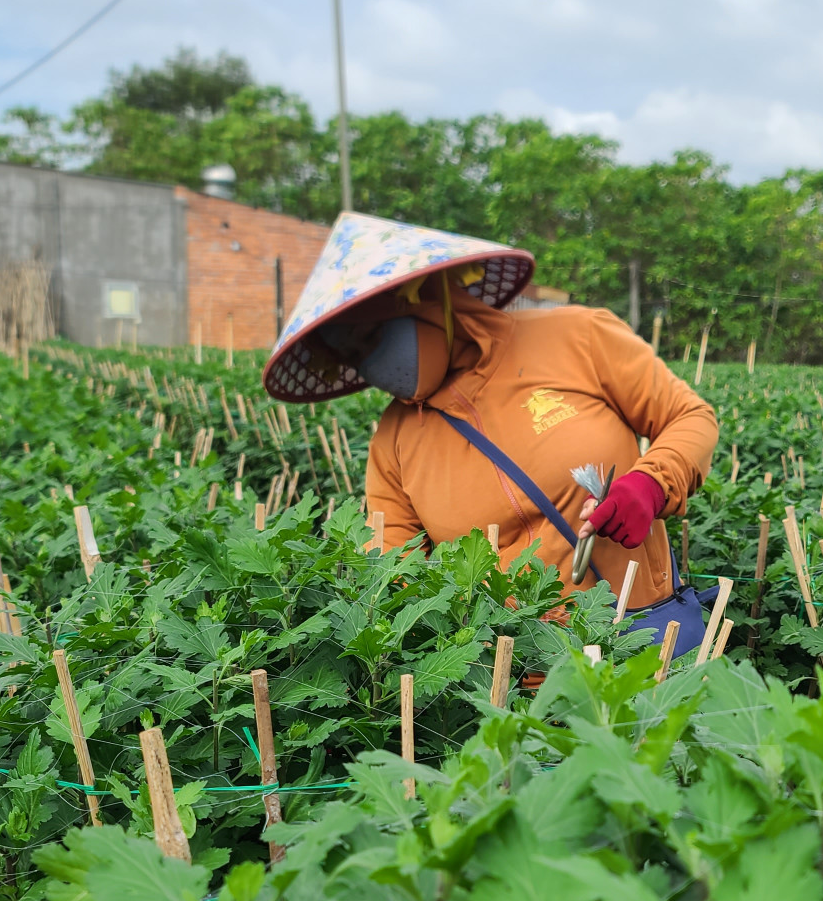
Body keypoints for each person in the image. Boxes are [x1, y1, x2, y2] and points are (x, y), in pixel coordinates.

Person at [263, 212, 718, 644]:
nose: (374, 365)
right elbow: (393, 565)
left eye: (374, 338)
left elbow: (691, 417)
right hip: (513, 680)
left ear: (426, 300)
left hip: (640, 640)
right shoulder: (394, 439)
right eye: (354, 356)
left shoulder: (577, 336)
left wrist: (651, 485)